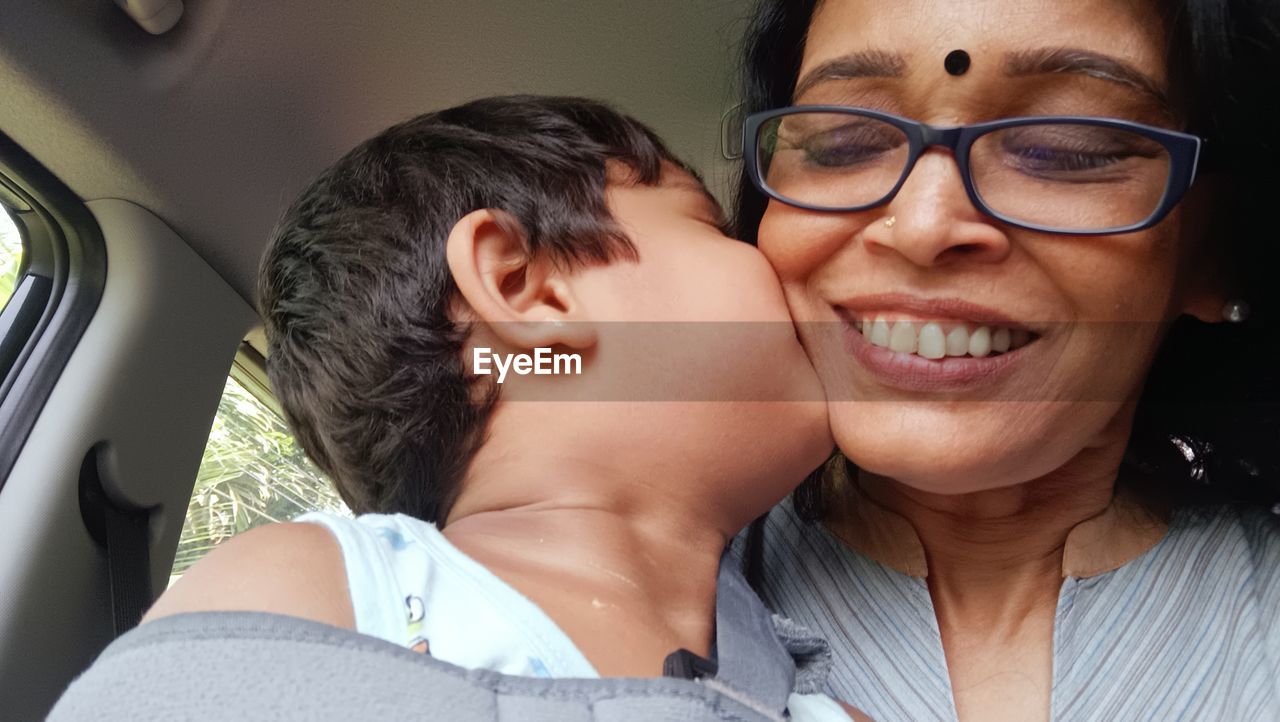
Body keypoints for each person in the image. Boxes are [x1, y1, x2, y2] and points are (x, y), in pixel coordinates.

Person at [137, 95, 861, 720]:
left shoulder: (814, 700)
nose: (769, 262)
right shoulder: (321, 593)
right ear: (527, 290)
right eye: (712, 228)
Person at [735, 1, 1280, 721]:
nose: (923, 225)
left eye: (1066, 148)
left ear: (1217, 250)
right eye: (843, 140)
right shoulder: (606, 575)